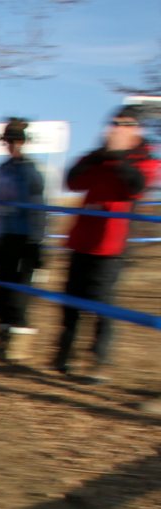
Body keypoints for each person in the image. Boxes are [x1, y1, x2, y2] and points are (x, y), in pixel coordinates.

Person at [52, 105, 159, 382]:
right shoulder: (96, 157)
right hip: (81, 240)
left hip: (111, 246)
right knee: (70, 302)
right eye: (114, 122)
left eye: (125, 123)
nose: (117, 128)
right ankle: (63, 356)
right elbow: (73, 181)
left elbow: (135, 187)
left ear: (137, 129)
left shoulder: (145, 158)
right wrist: (102, 154)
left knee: (102, 306)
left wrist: (119, 156)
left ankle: (99, 362)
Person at [0, 118, 46, 362]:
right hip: (4, 235)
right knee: (2, 289)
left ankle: (18, 345)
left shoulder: (31, 172)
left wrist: (36, 242)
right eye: (9, 141)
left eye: (16, 141)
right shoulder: (1, 170)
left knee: (19, 292)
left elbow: (38, 208)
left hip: (25, 237)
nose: (12, 145)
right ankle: (3, 337)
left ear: (23, 142)